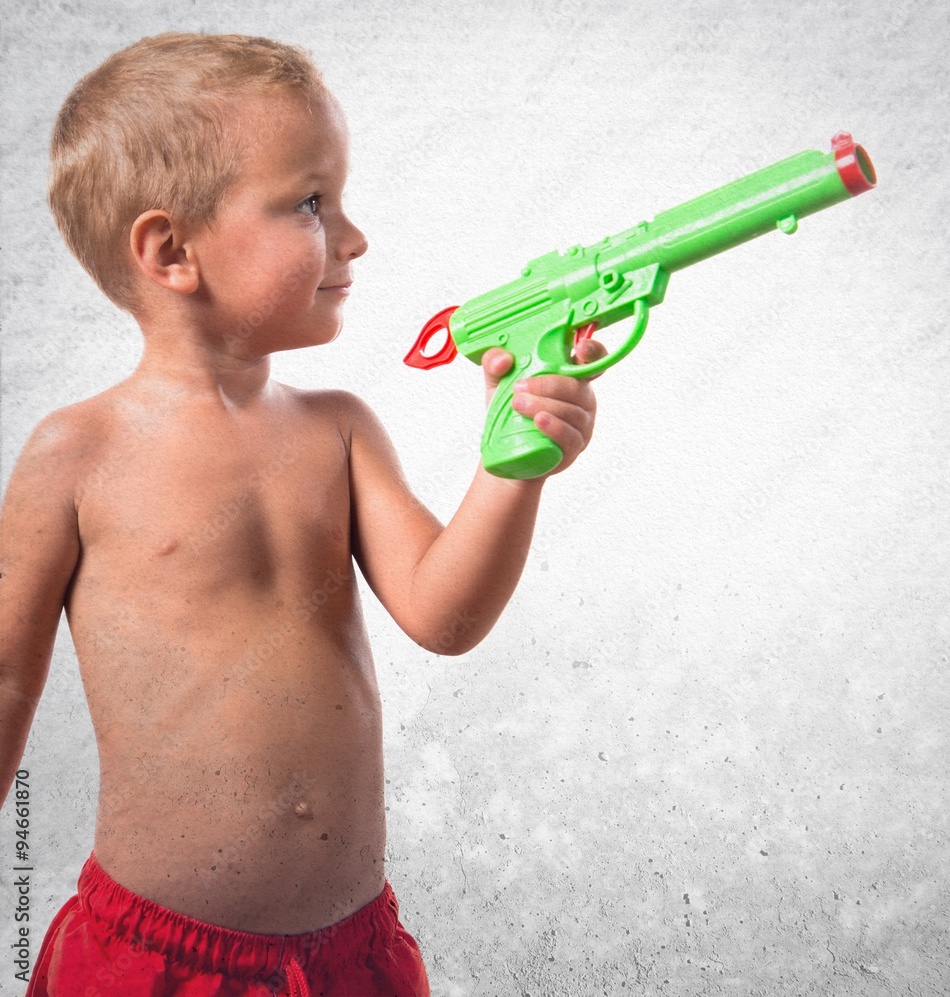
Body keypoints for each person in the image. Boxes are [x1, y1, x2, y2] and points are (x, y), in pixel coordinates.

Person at [0, 32, 605, 997]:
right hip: (153, 961)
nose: (354, 237)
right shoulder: (76, 454)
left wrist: (513, 463)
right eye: (312, 203)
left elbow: (443, 616)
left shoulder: (339, 431)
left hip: (348, 955)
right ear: (170, 250)